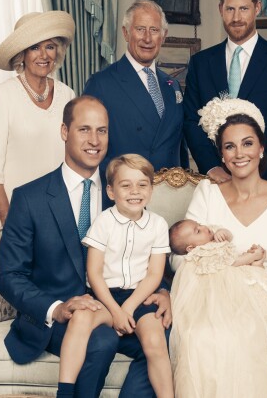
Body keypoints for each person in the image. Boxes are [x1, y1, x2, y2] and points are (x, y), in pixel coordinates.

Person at [0, 96, 172, 398]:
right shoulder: (30, 198)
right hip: (63, 316)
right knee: (101, 341)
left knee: (165, 338)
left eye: (102, 131)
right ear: (65, 131)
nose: (94, 140)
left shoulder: (123, 190)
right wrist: (57, 308)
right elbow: (9, 276)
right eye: (84, 130)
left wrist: (166, 292)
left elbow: (145, 253)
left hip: (120, 304)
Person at [171, 96, 267, 397]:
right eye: (229, 146)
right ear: (221, 155)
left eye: (247, 144)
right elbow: (179, 258)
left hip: (266, 301)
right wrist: (219, 266)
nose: (239, 153)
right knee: (202, 337)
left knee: (249, 334)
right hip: (211, 301)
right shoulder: (208, 192)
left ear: (261, 148)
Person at [57, 153, 172, 398]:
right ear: (111, 192)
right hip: (104, 297)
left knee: (156, 340)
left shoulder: (158, 225)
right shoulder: (103, 222)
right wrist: (116, 310)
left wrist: (129, 307)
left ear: (151, 189)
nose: (135, 191)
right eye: (125, 185)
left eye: (142, 185)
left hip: (139, 297)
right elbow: (94, 273)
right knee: (80, 320)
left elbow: (154, 275)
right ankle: (65, 391)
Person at [183, 0, 267, 187]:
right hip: (216, 183)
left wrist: (257, 171)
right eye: (230, 9)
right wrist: (212, 167)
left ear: (257, 8)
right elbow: (191, 122)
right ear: (221, 9)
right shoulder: (201, 63)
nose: (236, 17)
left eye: (244, 8)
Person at [0, 10, 76, 225]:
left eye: (49, 46)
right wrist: (8, 218)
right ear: (21, 54)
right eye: (35, 47)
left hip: (57, 212)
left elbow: (72, 160)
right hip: (14, 213)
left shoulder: (68, 95)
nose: (43, 55)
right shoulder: (3, 95)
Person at [84, 0, 188, 187]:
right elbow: (89, 149)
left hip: (170, 198)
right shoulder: (101, 84)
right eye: (140, 29)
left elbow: (180, 149)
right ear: (126, 33)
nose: (147, 39)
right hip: (124, 196)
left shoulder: (172, 85)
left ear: (163, 36)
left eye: (154, 30)